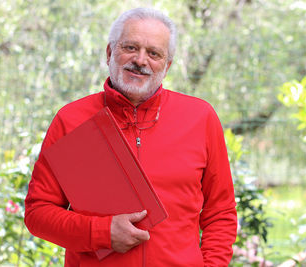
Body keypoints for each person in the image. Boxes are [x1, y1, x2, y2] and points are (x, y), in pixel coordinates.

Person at [24, 7, 237, 267]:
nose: (141, 60)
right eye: (130, 47)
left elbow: (221, 212)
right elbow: (38, 214)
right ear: (110, 53)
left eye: (154, 53)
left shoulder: (200, 117)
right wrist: (100, 232)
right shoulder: (71, 120)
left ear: (167, 65)